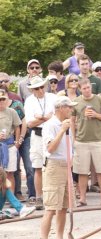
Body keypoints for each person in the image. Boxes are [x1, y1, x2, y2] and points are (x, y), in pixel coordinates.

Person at [40, 96, 78, 239]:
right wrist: (62, 130)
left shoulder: (68, 124)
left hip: (66, 166)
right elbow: (50, 148)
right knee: (50, 208)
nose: (71, 110)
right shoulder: (50, 125)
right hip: (54, 166)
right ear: (60, 108)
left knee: (63, 206)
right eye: (69, 107)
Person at [71, 79, 101, 207]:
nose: (87, 90)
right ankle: (82, 199)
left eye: (88, 87)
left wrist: (96, 115)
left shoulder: (99, 100)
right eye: (84, 88)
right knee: (82, 172)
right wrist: (73, 138)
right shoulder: (76, 102)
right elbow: (72, 120)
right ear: (80, 89)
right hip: (81, 140)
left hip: (98, 139)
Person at [25, 76, 57, 210]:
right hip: (37, 135)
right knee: (38, 167)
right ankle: (39, 197)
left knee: (53, 166)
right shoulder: (29, 101)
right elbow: (30, 123)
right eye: (37, 88)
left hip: (50, 134)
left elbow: (56, 117)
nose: (40, 90)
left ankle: (53, 196)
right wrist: (45, 118)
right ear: (32, 90)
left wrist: (41, 118)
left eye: (42, 87)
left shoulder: (52, 98)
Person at [0, 90, 22, 194]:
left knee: (10, 173)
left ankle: (11, 197)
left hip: (10, 145)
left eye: (3, 99)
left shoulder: (11, 111)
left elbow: (17, 127)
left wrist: (17, 143)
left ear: (6, 99)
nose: (1, 101)